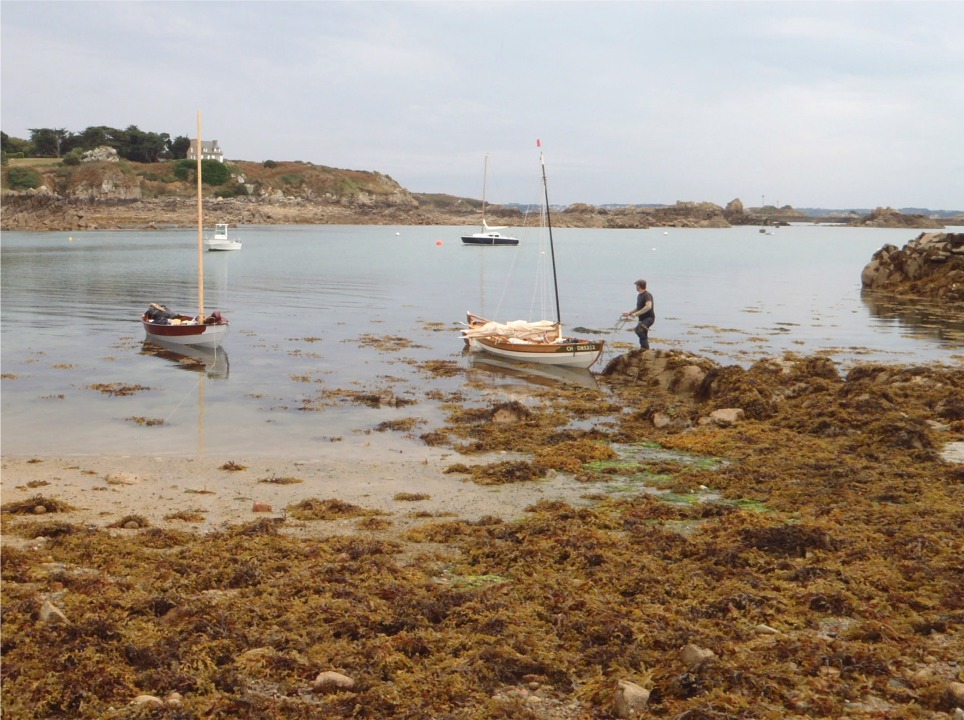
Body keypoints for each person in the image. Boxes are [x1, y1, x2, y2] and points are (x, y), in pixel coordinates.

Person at [622, 279, 655, 349]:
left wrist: (636, 314)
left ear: (639, 286)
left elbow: (648, 306)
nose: (636, 287)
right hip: (642, 319)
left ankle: (645, 348)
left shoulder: (647, 295)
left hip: (649, 318)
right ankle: (644, 349)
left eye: (636, 285)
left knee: (638, 330)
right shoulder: (639, 296)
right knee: (642, 332)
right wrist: (629, 313)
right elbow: (638, 308)